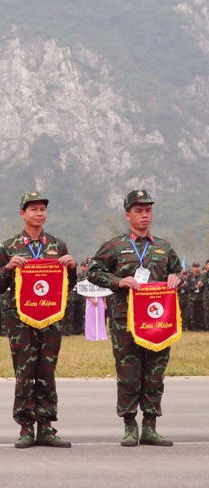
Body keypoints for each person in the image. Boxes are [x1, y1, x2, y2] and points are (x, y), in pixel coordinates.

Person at [86, 189, 182, 447]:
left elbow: (177, 271)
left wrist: (177, 278)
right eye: (138, 211)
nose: (144, 215)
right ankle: (130, 426)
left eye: (148, 210)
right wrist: (119, 281)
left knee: (154, 374)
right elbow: (93, 272)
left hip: (158, 322)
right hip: (124, 322)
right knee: (128, 374)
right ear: (128, 214)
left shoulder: (164, 246)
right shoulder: (115, 246)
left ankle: (150, 426)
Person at [0, 192, 77, 448]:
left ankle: (47, 426)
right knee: (24, 372)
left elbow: (69, 286)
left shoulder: (57, 246)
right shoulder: (9, 246)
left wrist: (72, 268)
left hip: (50, 317)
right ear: (22, 214)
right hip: (20, 320)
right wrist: (8, 269)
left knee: (47, 372)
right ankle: (26, 427)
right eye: (33, 209)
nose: (39, 213)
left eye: (42, 209)